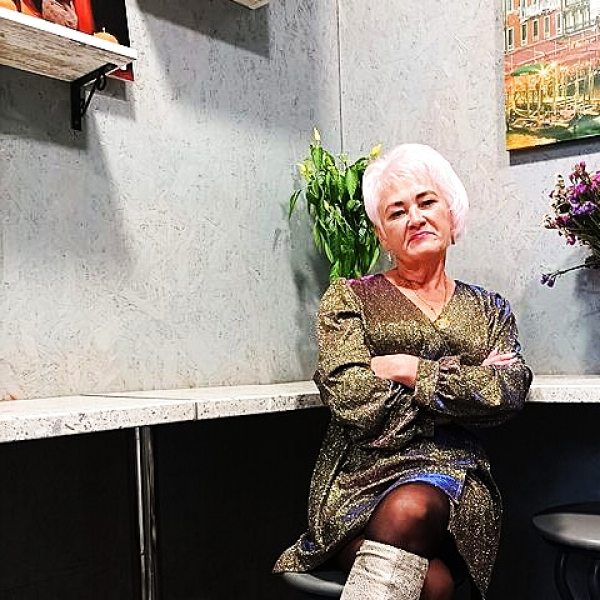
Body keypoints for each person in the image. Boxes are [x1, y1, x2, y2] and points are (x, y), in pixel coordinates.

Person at [273, 144, 533, 600]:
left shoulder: (489, 308)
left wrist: (408, 369)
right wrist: (460, 396)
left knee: (415, 509)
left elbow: (508, 391)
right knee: (432, 581)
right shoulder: (349, 298)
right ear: (382, 236)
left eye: (427, 202)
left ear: (451, 214)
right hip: (361, 483)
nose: (415, 218)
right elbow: (352, 399)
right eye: (397, 212)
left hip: (457, 487)